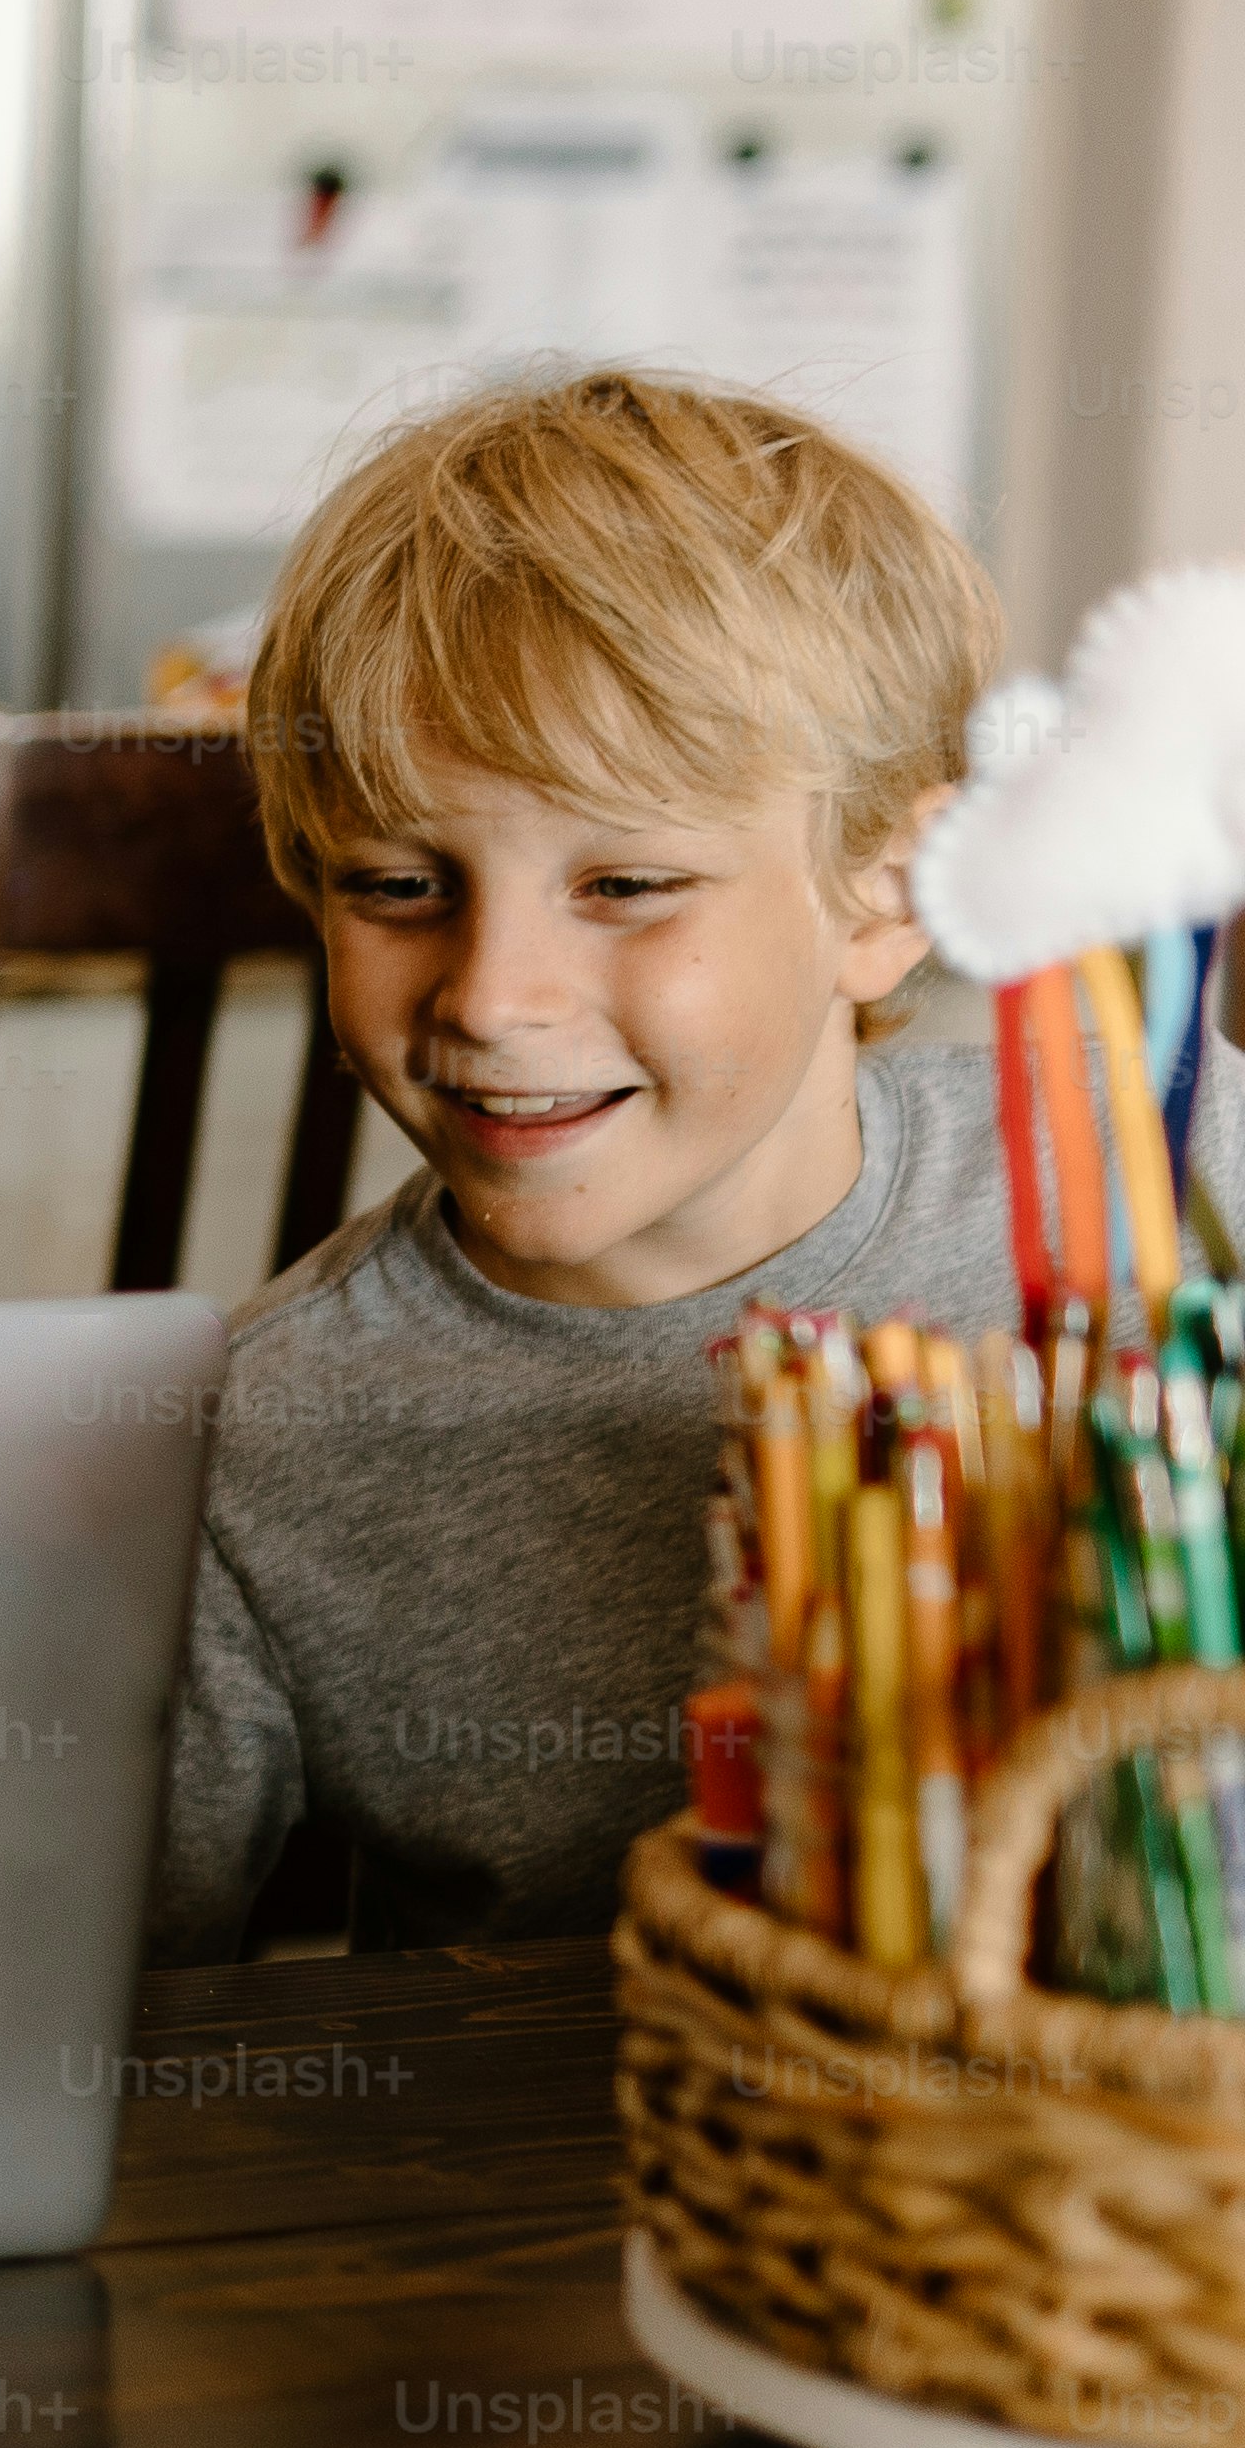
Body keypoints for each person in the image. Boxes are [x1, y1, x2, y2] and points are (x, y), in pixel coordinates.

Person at [151, 366, 1210, 1959]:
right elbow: (94, 2014)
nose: (492, 997)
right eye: (397, 885)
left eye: (627, 884)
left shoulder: (1175, 1167)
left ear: (886, 892)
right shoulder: (252, 1447)